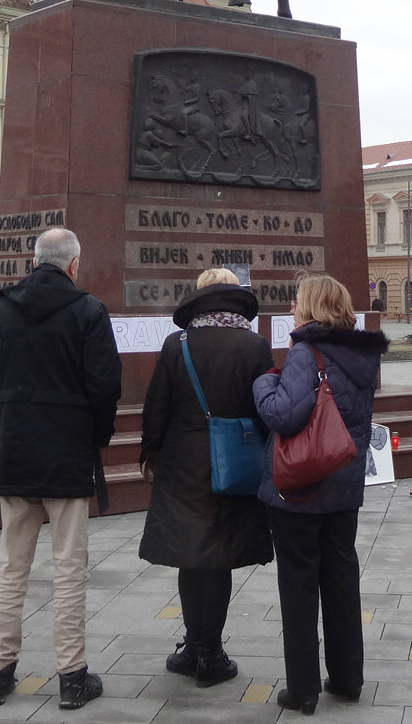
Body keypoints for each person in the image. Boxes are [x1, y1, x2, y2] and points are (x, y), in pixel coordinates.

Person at [0, 228, 122, 711]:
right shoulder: (88, 311)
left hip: (19, 450)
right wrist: (92, 433)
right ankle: (72, 676)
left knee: (12, 567)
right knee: (69, 569)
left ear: (34, 262)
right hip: (68, 453)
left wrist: (9, 417)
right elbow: (105, 386)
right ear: (73, 265)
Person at [254, 274, 386, 714]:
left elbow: (284, 415)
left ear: (311, 307)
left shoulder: (304, 353)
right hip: (344, 483)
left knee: (299, 585)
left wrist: (262, 384)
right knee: (342, 579)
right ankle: (348, 678)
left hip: (301, 487)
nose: (291, 306)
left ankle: (303, 688)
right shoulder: (361, 355)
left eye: (296, 300)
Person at [139, 269, 275, 689]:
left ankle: (193, 646)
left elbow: (156, 406)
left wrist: (150, 453)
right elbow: (265, 406)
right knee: (219, 556)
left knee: (190, 554)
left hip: (182, 460)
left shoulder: (176, 344)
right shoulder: (253, 345)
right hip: (234, 460)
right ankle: (210, 653)